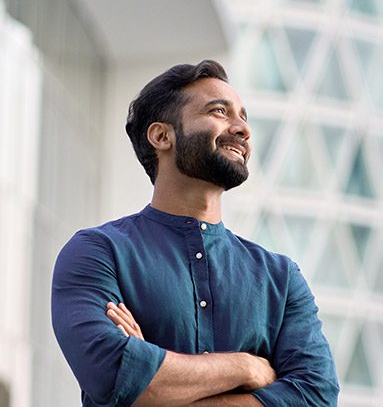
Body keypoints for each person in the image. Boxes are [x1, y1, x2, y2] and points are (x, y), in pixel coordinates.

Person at [51, 60, 339, 406]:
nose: (242, 129)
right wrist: (246, 368)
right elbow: (111, 374)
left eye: (243, 117)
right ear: (161, 136)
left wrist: (153, 377)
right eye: (220, 111)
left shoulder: (280, 277)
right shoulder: (98, 253)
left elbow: (316, 396)